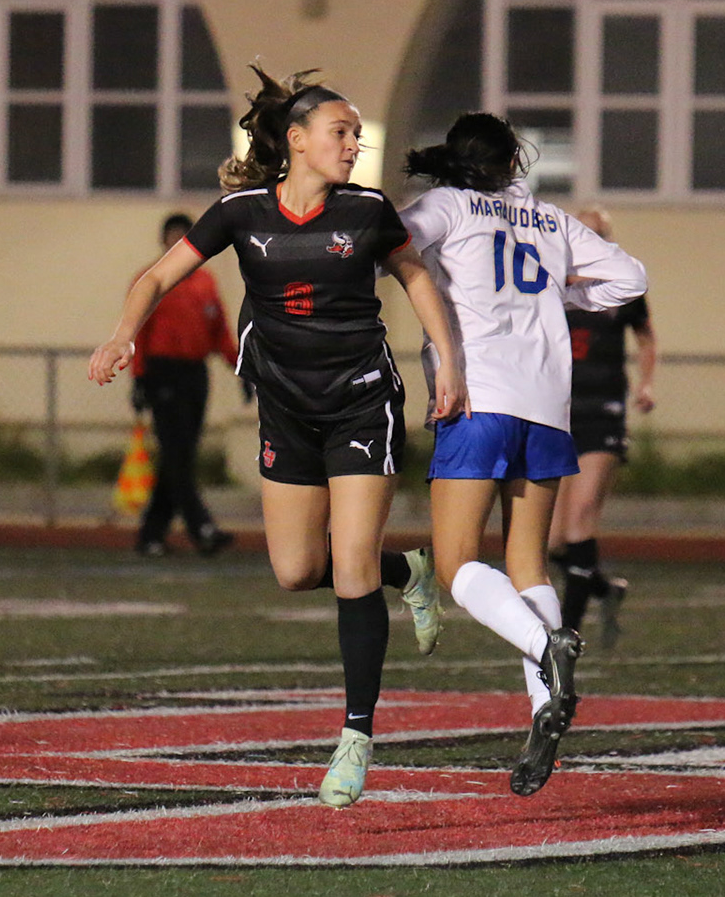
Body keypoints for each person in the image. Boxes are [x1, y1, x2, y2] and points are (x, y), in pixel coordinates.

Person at [90, 67, 463, 809]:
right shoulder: (241, 213)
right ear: (296, 141)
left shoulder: (366, 209)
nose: (354, 145)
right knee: (296, 570)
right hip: (286, 411)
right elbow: (157, 277)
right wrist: (122, 333)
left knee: (349, 565)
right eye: (341, 132)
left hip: (362, 403)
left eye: (356, 134)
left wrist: (446, 360)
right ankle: (409, 572)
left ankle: (356, 737)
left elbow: (416, 277)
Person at [399, 113, 646, 797]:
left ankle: (546, 646)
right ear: (513, 162)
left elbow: (385, 245)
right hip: (548, 404)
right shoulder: (550, 218)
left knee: (455, 564)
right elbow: (629, 278)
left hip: (479, 395)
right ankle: (543, 703)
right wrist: (564, 292)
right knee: (528, 565)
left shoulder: (447, 205)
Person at [550, 207, 655, 649]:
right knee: (554, 541)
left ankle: (567, 635)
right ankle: (604, 589)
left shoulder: (621, 284)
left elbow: (646, 336)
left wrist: (646, 383)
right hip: (559, 412)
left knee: (581, 518)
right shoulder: (552, 281)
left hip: (603, 411)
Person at [129, 212, 242, 558]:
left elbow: (219, 330)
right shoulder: (151, 279)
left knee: (180, 454)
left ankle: (151, 534)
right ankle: (201, 527)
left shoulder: (205, 282)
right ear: (162, 240)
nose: (177, 242)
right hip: (163, 373)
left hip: (195, 373)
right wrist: (138, 377)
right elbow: (137, 332)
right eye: (172, 235)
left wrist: (241, 368)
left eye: (184, 235)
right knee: (176, 453)